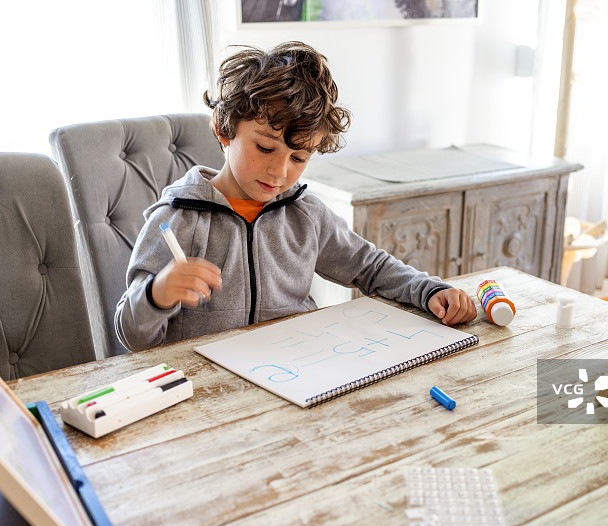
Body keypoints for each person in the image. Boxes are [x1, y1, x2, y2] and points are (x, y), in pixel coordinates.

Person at [115, 41, 476, 352]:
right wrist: (155, 294)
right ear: (224, 130)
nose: (280, 171)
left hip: (297, 375)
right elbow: (132, 337)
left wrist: (428, 291)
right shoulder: (177, 219)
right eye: (264, 147)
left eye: (299, 158)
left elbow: (371, 267)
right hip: (211, 395)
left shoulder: (306, 216)